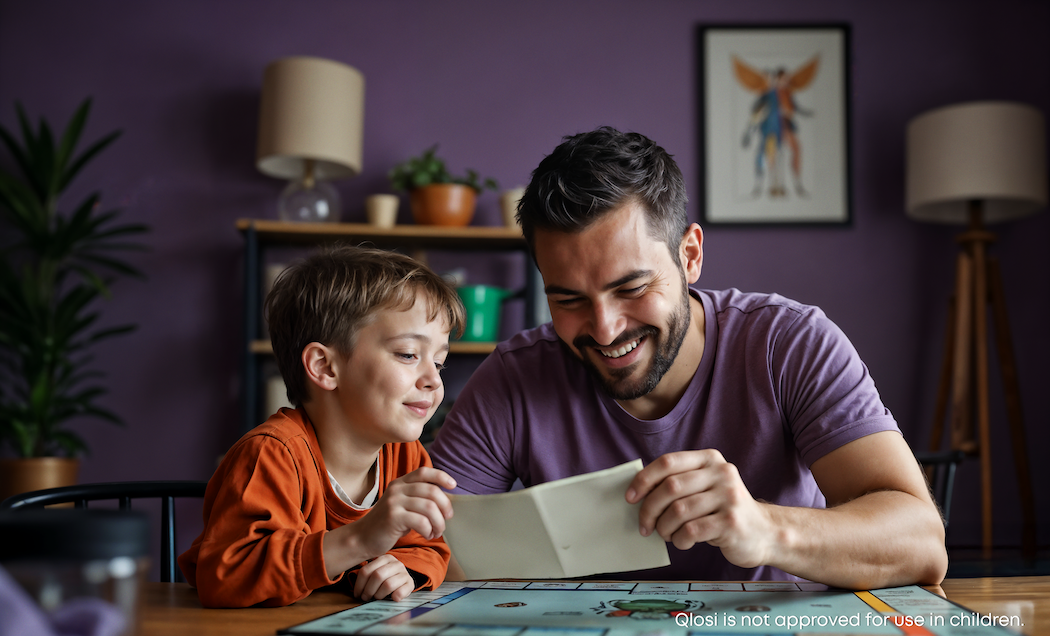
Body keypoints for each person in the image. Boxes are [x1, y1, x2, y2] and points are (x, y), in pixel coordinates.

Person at [430, 127, 947, 590]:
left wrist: (766, 530)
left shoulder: (789, 343)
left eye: (631, 287)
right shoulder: (514, 377)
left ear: (690, 255)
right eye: (568, 300)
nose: (605, 329)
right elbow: (423, 545)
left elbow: (921, 542)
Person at [179, 246, 463, 607]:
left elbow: (428, 547)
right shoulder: (271, 454)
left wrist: (403, 568)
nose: (433, 381)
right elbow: (226, 576)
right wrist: (360, 540)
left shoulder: (406, 456)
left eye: (439, 363)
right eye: (408, 354)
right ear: (325, 367)